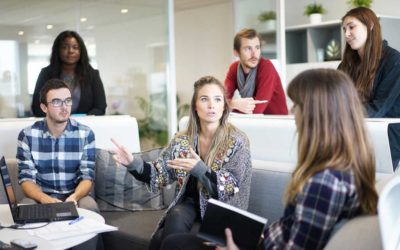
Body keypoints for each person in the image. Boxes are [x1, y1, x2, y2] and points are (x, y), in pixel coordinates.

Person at [160, 69, 378, 250]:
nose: (292, 111)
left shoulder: (325, 182)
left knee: (174, 244)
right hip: (263, 240)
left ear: (317, 113)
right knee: (173, 235)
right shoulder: (342, 169)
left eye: (298, 104)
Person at [111, 76, 252, 250]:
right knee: (176, 214)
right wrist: (132, 163)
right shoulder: (182, 140)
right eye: (204, 99)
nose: (211, 105)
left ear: (224, 106)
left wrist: (200, 169)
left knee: (161, 240)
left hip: (222, 209)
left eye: (217, 99)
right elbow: (159, 174)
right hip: (189, 204)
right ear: (195, 106)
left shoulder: (238, 141)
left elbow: (232, 186)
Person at [17, 79, 98, 213]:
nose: (64, 107)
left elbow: (87, 176)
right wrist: (45, 199)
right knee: (24, 209)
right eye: (56, 102)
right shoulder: (27, 135)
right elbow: (26, 179)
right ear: (44, 107)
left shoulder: (85, 134)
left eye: (67, 100)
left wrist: (74, 197)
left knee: (90, 208)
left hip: (75, 196)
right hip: (40, 197)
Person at [338, 7, 400, 169]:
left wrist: (339, 115)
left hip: (386, 142)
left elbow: (378, 108)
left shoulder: (394, 61)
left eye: (352, 27)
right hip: (354, 137)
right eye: (344, 29)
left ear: (370, 25)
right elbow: (334, 98)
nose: (346, 34)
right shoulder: (346, 64)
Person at [31, 30, 107, 117]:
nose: (70, 51)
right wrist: (59, 118)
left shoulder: (92, 75)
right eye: (65, 47)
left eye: (75, 47)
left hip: (84, 126)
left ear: (81, 51)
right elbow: (37, 107)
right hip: (53, 127)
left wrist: (83, 119)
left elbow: (100, 107)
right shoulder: (46, 74)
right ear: (57, 50)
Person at [224, 28, 288, 115]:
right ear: (236, 53)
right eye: (248, 49)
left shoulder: (266, 67)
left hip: (276, 122)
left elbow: (257, 109)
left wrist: (231, 105)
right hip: (253, 122)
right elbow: (221, 101)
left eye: (257, 48)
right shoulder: (234, 69)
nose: (254, 54)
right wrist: (234, 104)